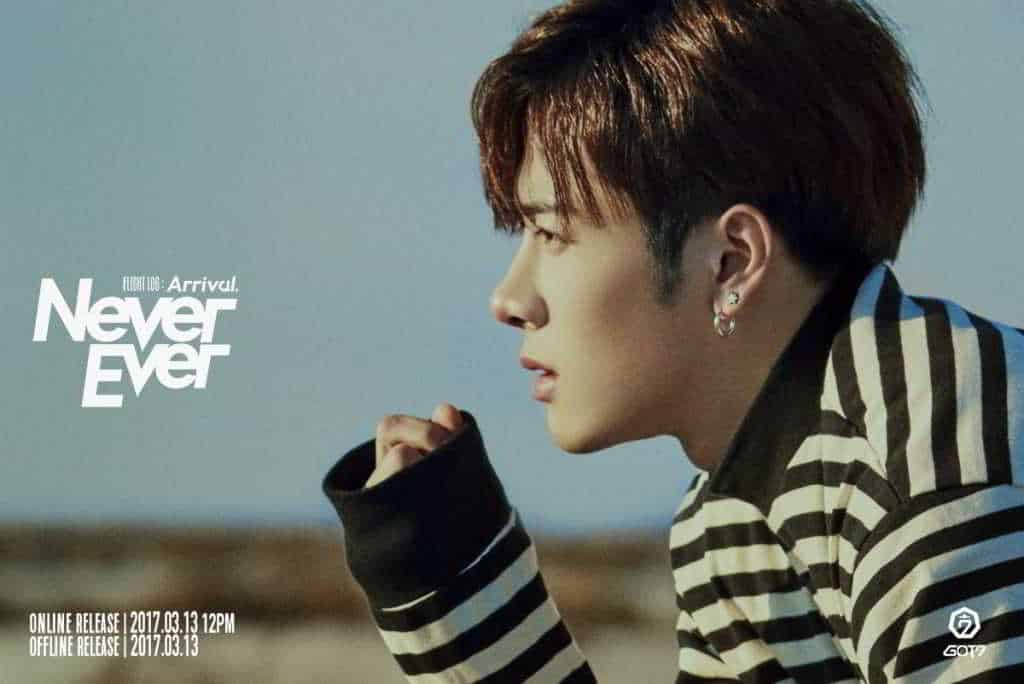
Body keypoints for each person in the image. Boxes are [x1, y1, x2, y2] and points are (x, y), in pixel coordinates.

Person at [322, 0, 1024, 681]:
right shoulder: (728, 516)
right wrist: (454, 585)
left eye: (553, 233)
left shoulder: (939, 467)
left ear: (731, 262)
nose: (509, 299)